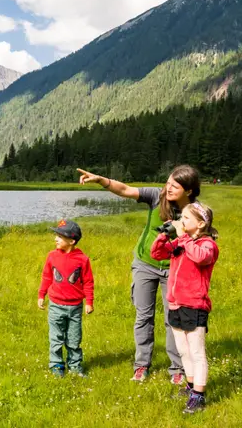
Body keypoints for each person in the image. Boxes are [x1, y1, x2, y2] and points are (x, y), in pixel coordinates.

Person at [77, 165, 202, 385]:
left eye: (175, 185)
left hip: (175, 269)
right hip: (145, 264)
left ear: (189, 191)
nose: (168, 187)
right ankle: (141, 365)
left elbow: (203, 243)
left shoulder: (196, 212)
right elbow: (125, 190)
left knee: (173, 320)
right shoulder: (157, 196)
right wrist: (100, 180)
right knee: (143, 317)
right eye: (168, 182)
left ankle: (177, 369)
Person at [150, 202, 220, 414]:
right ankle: (190, 386)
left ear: (200, 225)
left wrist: (183, 237)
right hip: (175, 302)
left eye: (186, 219)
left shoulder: (208, 245)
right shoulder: (182, 242)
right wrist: (164, 234)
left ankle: (199, 395)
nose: (182, 221)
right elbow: (157, 253)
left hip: (194, 304)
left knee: (197, 352)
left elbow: (201, 258)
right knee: (183, 351)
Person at [38, 219, 95, 378]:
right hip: (56, 306)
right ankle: (56, 365)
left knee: (74, 339)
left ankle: (75, 367)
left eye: (59, 236)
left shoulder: (82, 259)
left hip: (75, 307)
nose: (55, 239)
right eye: (56, 235)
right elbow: (46, 277)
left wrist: (89, 302)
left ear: (71, 241)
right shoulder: (52, 256)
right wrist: (41, 295)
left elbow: (88, 282)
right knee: (56, 338)